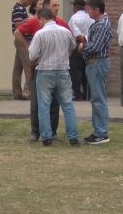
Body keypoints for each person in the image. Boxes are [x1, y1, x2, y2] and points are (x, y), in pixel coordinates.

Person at [14, 0, 70, 142]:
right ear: (45, 8)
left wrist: (65, 56)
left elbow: (71, 41)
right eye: (54, 5)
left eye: (58, 5)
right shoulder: (35, 22)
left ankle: (52, 131)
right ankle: (35, 131)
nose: (57, 8)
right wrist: (28, 46)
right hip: (39, 66)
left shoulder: (62, 24)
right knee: (37, 101)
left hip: (56, 68)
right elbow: (17, 32)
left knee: (54, 102)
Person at [28, 8, 79, 147]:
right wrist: (65, 54)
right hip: (63, 70)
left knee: (44, 106)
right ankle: (73, 137)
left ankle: (46, 137)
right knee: (68, 105)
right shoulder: (65, 31)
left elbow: (32, 55)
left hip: (45, 71)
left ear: (42, 19)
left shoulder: (40, 34)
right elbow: (73, 46)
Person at [78, 0, 113, 145]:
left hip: (97, 63)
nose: (87, 12)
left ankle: (101, 133)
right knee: (96, 99)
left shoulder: (102, 25)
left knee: (98, 99)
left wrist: (82, 47)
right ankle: (98, 131)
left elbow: (95, 47)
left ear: (97, 10)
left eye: (89, 9)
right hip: (94, 63)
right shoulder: (98, 24)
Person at [11, 0, 35, 100]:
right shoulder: (19, 9)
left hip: (19, 39)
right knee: (28, 66)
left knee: (18, 68)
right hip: (22, 39)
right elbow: (18, 25)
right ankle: (29, 92)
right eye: (30, 0)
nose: (30, 3)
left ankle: (17, 92)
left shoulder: (20, 9)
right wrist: (29, 21)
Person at [68, 0, 94, 101]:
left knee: (75, 71)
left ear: (75, 7)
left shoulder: (74, 18)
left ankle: (77, 93)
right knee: (86, 70)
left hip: (78, 45)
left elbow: (77, 34)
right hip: (90, 45)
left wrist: (82, 43)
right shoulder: (90, 17)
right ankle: (87, 94)